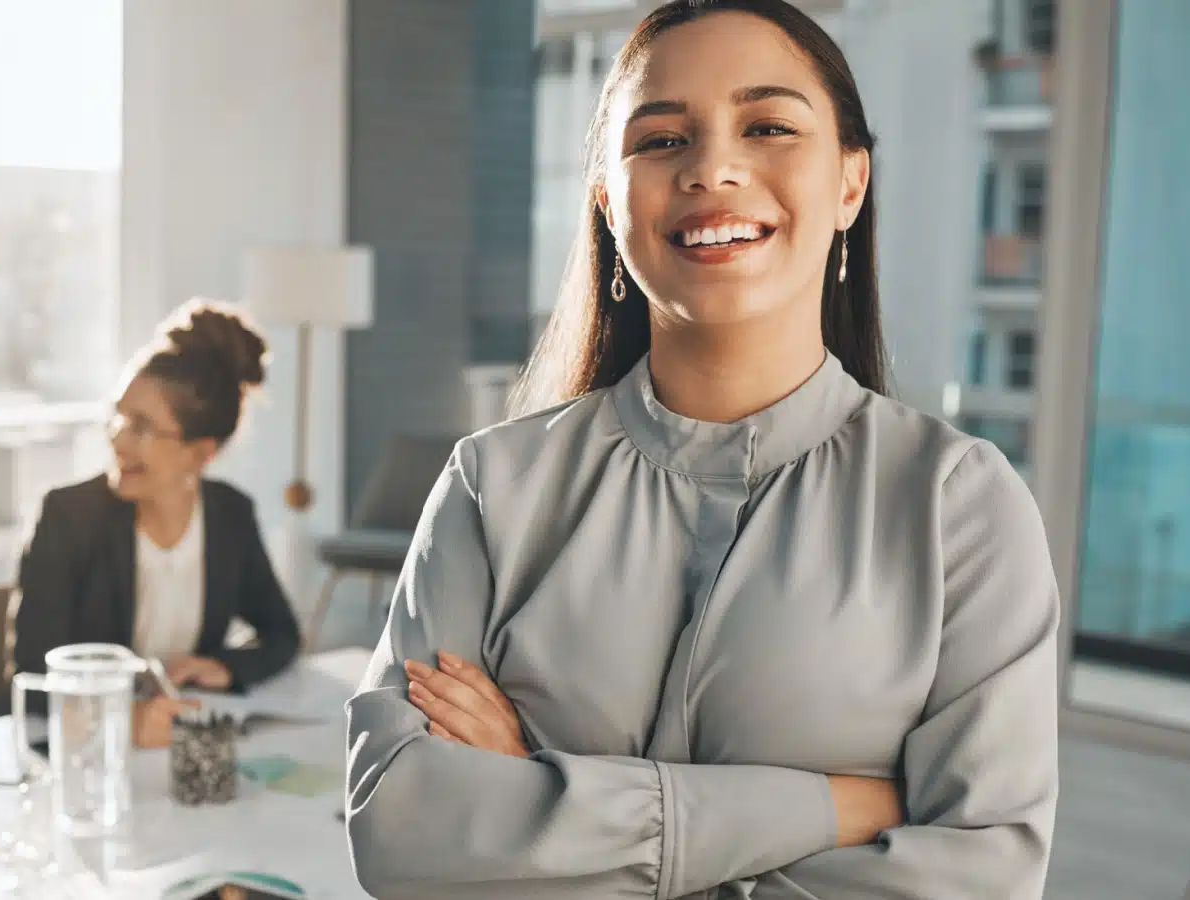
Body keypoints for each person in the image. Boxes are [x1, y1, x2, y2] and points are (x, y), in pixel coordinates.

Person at [345, 2, 1059, 898]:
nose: (713, 167)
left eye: (767, 126)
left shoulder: (959, 504)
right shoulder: (494, 484)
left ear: (850, 182)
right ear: (608, 201)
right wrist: (831, 810)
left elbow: (978, 880)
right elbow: (402, 836)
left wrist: (533, 795)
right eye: (660, 140)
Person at [8, 300, 302, 750]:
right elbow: (34, 674)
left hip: (175, 746)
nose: (118, 439)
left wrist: (224, 668)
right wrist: (121, 723)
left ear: (201, 453)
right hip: (82, 756)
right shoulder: (68, 517)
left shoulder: (230, 516)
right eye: (118, 415)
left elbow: (282, 633)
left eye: (142, 426)